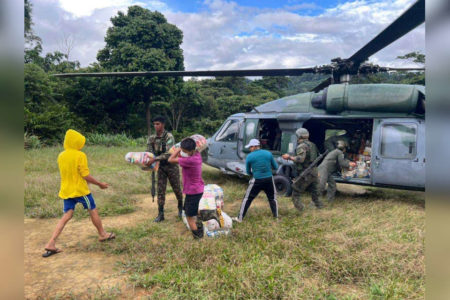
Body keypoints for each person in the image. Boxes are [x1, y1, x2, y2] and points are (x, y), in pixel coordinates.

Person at [43, 129, 115, 258]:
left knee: (67, 215)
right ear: (77, 143)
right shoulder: (80, 155)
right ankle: (102, 234)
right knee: (93, 210)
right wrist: (100, 184)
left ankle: (51, 242)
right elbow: (85, 175)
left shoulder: (61, 155)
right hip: (81, 192)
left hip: (66, 191)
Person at [145, 116, 183, 222]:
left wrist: (154, 159)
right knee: (160, 191)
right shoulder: (151, 138)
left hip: (171, 166)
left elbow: (169, 153)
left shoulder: (168, 136)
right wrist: (146, 160)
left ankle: (181, 209)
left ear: (163, 124)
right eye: (154, 124)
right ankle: (160, 214)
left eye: (158, 124)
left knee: (177, 189)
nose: (155, 126)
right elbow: (148, 152)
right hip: (160, 167)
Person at [168, 138, 205, 239]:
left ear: (191, 151)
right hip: (198, 190)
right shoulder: (197, 155)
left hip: (193, 191)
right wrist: (183, 149)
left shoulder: (189, 160)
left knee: (189, 216)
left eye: (184, 151)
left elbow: (170, 159)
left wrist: (177, 149)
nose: (182, 153)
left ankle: (198, 237)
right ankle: (201, 224)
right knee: (194, 209)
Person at [236, 139, 278, 222]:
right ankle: (276, 217)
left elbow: (248, 172)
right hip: (269, 179)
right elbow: (276, 167)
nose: (250, 149)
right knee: (272, 199)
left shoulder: (250, 156)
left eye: (250, 147)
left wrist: (255, 172)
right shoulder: (268, 154)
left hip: (257, 180)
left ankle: (239, 218)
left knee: (247, 199)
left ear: (254, 146)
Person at [282, 128, 323, 211]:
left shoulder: (301, 146)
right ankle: (319, 207)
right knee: (315, 191)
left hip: (306, 172)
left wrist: (289, 157)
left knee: (296, 191)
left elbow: (300, 159)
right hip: (314, 171)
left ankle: (300, 210)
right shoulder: (313, 145)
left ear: (299, 136)